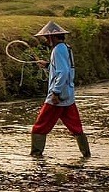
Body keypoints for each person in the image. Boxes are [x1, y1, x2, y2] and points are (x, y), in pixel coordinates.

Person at [30, 21, 91, 158]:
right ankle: (86, 155)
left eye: (47, 38)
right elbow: (65, 69)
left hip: (58, 96)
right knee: (76, 127)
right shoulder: (66, 48)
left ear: (53, 37)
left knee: (39, 127)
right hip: (68, 95)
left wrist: (55, 93)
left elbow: (63, 72)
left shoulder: (57, 50)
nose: (46, 40)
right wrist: (48, 65)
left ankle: (36, 156)